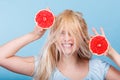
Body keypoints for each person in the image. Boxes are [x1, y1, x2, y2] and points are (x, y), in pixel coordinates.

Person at [0, 9, 120, 80]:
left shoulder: (98, 68)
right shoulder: (44, 66)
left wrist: (111, 53)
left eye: (73, 33)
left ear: (82, 37)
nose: (67, 39)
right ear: (54, 37)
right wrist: (34, 35)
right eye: (62, 33)